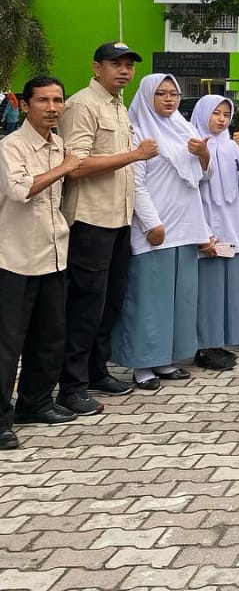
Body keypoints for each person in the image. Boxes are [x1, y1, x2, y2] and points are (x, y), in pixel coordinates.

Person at [57, 42, 160, 416]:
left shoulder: (117, 106)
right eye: (116, 64)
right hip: (90, 220)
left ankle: (96, 371)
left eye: (129, 65)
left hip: (118, 220)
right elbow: (75, 166)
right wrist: (134, 155)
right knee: (85, 306)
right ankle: (71, 387)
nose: (124, 70)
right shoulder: (82, 105)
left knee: (109, 302)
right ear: (96, 67)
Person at [114, 74, 212, 391]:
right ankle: (142, 365)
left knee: (178, 300)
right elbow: (136, 185)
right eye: (161, 93)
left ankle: (165, 359)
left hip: (186, 226)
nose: (169, 99)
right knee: (148, 300)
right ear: (147, 96)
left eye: (174, 94)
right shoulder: (137, 132)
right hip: (155, 230)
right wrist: (152, 224)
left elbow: (202, 177)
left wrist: (204, 155)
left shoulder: (184, 129)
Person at [0, 77, 83, 448]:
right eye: (43, 101)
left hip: (53, 254)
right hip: (14, 258)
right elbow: (20, 191)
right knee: (7, 345)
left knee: (49, 336)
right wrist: (65, 167)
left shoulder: (59, 145)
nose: (52, 108)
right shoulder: (11, 147)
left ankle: (35, 403)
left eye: (58, 100)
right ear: (25, 105)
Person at [190, 95, 239, 372]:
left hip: (235, 225)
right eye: (216, 113)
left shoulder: (231, 146)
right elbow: (191, 191)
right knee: (208, 292)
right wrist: (203, 233)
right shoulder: (194, 145)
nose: (221, 119)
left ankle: (219, 342)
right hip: (208, 225)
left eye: (226, 114)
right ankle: (203, 346)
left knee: (231, 290)